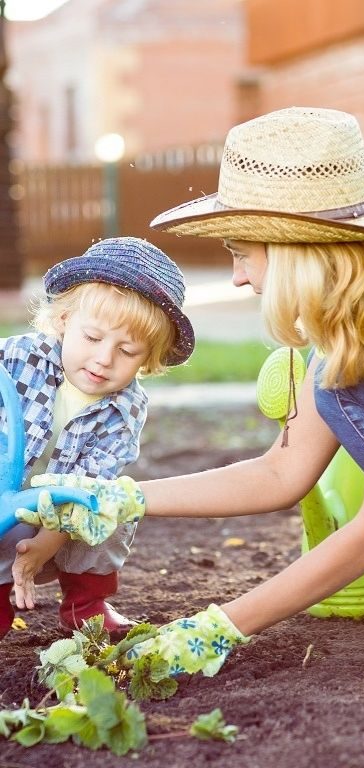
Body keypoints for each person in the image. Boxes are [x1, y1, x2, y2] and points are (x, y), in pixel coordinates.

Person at [20, 107, 364, 681]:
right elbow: (283, 471)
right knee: (339, 383)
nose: (237, 278)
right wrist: (119, 497)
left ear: (295, 249)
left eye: (240, 252)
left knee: (346, 384)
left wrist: (215, 630)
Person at [0, 236, 194, 641]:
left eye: (127, 350)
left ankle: (85, 608)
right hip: (3, 499)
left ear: (149, 358)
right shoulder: (17, 357)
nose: (105, 358)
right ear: (64, 320)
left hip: (63, 514)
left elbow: (91, 486)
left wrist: (44, 547)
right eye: (92, 338)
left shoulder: (125, 409)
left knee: (113, 509)